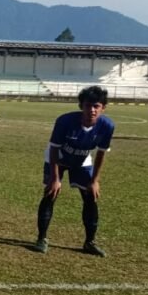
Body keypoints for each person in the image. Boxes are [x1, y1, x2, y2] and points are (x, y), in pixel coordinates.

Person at [35, 86, 115, 256]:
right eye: (88, 105)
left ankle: (89, 242)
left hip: (83, 159)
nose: (92, 110)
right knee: (50, 193)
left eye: (96, 106)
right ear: (81, 106)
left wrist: (94, 181)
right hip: (58, 157)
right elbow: (54, 149)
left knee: (90, 197)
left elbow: (101, 154)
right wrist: (55, 178)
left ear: (103, 108)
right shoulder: (65, 121)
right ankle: (41, 238)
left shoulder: (107, 126)